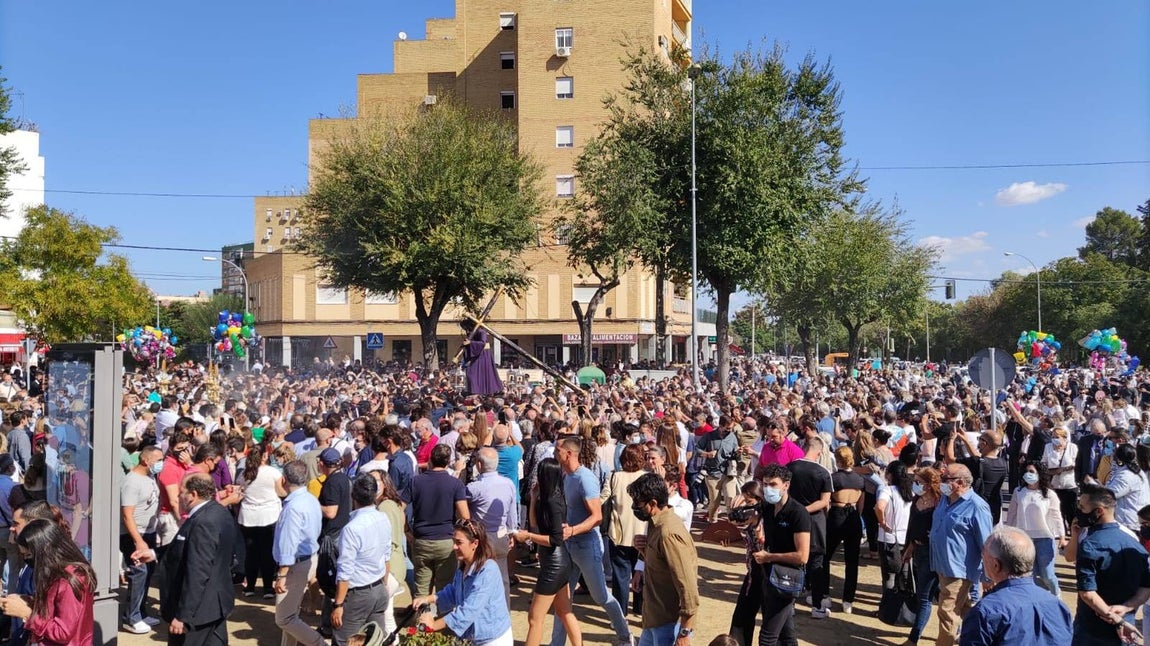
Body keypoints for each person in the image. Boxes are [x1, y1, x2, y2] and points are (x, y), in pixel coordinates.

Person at [550, 436, 632, 646]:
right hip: (569, 545)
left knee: (601, 596)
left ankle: (624, 635)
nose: (554, 451)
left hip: (586, 546)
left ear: (569, 453)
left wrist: (573, 530)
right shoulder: (566, 475)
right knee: (562, 599)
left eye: (558, 448)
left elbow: (597, 516)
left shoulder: (584, 478)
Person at [157, 473, 242, 645]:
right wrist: (153, 554)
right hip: (214, 605)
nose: (179, 496)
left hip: (198, 612)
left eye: (182, 492)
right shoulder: (218, 511)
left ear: (193, 495)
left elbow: (198, 571)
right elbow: (190, 548)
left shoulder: (203, 521)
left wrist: (183, 616)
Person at [956, 526, 1072, 646]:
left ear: (996, 565)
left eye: (983, 557)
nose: (982, 562)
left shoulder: (985, 611)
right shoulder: (1058, 606)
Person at [513, 458, 582, 646]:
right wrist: (534, 499)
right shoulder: (550, 498)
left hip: (554, 564)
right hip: (556, 562)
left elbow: (554, 539)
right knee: (564, 612)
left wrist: (527, 536)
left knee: (535, 618)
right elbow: (535, 524)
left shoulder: (553, 501)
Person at [1071, 484, 1150, 646]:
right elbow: (1146, 587)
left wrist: (1114, 618)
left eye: (1083, 507)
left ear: (1099, 511)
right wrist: (1127, 608)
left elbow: (1087, 593)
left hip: (1093, 630)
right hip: (1127, 628)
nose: (1079, 512)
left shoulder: (1090, 544)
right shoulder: (1133, 542)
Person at [413, 518, 513, 645]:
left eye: (459, 542)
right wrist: (428, 599)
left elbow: (469, 610)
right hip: (473, 638)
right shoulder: (463, 566)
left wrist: (433, 625)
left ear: (475, 544)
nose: (454, 547)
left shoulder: (488, 570)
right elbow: (455, 591)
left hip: (493, 640)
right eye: (454, 541)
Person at [627, 472, 699, 646]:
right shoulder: (655, 524)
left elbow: (687, 586)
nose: (634, 507)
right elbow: (663, 565)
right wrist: (644, 551)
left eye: (638, 503)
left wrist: (684, 632)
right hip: (654, 618)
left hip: (669, 624)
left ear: (653, 503)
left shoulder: (668, 533)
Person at [0, 519, 94, 646]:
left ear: (43, 552)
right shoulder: (55, 572)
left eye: (28, 555)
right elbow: (56, 606)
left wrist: (27, 613)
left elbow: (63, 633)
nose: (27, 560)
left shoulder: (68, 580)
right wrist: (31, 602)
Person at [929, 463, 993, 646]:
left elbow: (986, 543)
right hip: (941, 565)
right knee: (966, 610)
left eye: (944, 479)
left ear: (959, 482)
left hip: (959, 570)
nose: (940, 482)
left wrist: (987, 575)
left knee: (947, 612)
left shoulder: (977, 507)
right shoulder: (945, 499)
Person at [753, 463, 811, 646]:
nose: (767, 488)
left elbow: (802, 556)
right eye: (765, 484)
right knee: (786, 633)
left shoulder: (798, 512)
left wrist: (769, 556)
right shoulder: (768, 507)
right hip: (769, 575)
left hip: (787, 578)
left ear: (786, 485)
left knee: (768, 638)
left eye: (773, 484)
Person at [331, 474, 392, 646]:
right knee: (374, 641)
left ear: (353, 496)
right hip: (379, 588)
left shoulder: (351, 529)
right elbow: (387, 557)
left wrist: (338, 605)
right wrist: (383, 585)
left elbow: (345, 571)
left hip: (358, 595)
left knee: (345, 641)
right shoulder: (383, 518)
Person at [272, 460, 324, 646]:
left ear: (284, 480)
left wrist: (282, 574)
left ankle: (320, 644)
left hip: (296, 565)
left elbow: (288, 544)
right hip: (309, 559)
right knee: (291, 615)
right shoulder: (311, 499)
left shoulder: (293, 507)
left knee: (284, 618)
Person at [411, 444, 470, 597]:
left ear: (430, 459)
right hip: (446, 540)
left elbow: (399, 506)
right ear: (448, 462)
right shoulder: (455, 484)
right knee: (445, 590)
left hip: (421, 539)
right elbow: (465, 515)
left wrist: (406, 530)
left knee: (421, 590)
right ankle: (443, 620)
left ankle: (422, 619)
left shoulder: (416, 481)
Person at [785, 435, 832, 618]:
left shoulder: (790, 467)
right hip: (815, 523)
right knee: (816, 564)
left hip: (792, 521)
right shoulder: (822, 472)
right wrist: (805, 510)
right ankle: (818, 605)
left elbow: (784, 494)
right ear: (819, 452)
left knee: (793, 561)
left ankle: (791, 604)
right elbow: (824, 501)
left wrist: (796, 510)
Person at [1003, 461, 1065, 595]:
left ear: (1039, 474)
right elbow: (1012, 513)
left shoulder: (1049, 494)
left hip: (1044, 538)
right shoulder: (1019, 492)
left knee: (1047, 575)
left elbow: (1056, 515)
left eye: (1031, 472)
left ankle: (1056, 595)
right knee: (1031, 575)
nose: (1028, 474)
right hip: (1024, 539)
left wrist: (1062, 536)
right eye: (1026, 471)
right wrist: (1008, 532)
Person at [466, 447, 518, 605]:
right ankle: (504, 614)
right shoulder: (508, 484)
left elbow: (461, 506)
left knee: (477, 579)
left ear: (479, 465)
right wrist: (512, 531)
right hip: (501, 535)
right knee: (502, 579)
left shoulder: (475, 487)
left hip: (482, 538)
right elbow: (511, 512)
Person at [120, 445, 163, 633]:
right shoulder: (131, 482)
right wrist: (138, 540)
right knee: (139, 572)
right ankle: (131, 617)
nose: (161, 463)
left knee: (148, 571)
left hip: (149, 532)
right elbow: (127, 515)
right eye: (158, 460)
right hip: (134, 534)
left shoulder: (150, 477)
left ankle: (141, 612)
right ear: (146, 460)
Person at [603, 443, 648, 615]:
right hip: (642, 533)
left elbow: (603, 498)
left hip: (619, 534)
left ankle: (621, 612)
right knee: (641, 570)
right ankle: (640, 608)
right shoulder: (646, 477)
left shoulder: (614, 477)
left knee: (620, 576)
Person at [238, 442, 286, 599]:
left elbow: (240, 489)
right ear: (265, 456)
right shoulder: (273, 473)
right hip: (269, 516)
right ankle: (267, 588)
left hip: (248, 517)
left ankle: (250, 586)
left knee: (251, 553)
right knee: (267, 553)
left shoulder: (245, 474)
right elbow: (281, 492)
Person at [903, 465, 942, 646]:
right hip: (918, 550)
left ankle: (913, 638)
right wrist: (909, 547)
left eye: (918, 482)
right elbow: (913, 525)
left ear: (928, 484)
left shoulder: (939, 503)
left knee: (924, 597)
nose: (915, 485)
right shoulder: (917, 499)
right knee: (935, 593)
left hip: (932, 553)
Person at [824, 446, 863, 615]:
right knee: (852, 561)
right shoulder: (859, 479)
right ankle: (848, 600)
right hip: (853, 515)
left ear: (838, 460)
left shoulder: (833, 478)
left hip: (836, 514)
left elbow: (826, 502)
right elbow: (862, 502)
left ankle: (824, 593)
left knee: (825, 556)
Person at [1043, 425, 1080, 531]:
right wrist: (1053, 471)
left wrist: (1064, 469)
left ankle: (1073, 533)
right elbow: (1044, 464)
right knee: (1057, 511)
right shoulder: (1048, 447)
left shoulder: (1072, 447)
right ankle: (1060, 531)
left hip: (1069, 484)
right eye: (1053, 436)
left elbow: (1076, 464)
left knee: (1071, 511)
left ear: (1064, 437)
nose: (1054, 439)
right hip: (1054, 484)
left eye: (1057, 437)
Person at [1105, 444, 1149, 533]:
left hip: (1128, 522)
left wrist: (1092, 484)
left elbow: (1109, 495)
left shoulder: (1126, 475)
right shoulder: (1137, 471)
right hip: (1135, 519)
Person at [460, 321, 503, 396]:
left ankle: (481, 390)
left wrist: (470, 343)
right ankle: (473, 390)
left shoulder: (481, 332)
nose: (466, 329)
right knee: (470, 372)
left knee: (474, 372)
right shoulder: (470, 333)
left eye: (466, 327)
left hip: (482, 355)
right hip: (474, 355)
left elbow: (483, 343)